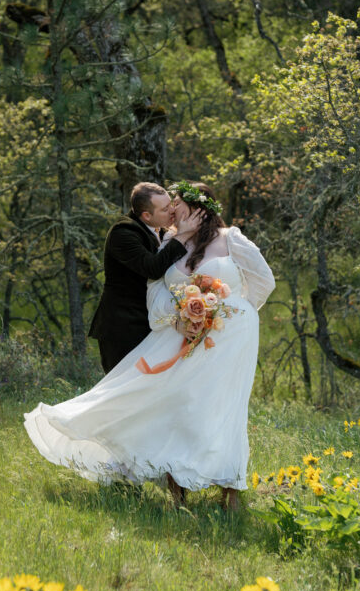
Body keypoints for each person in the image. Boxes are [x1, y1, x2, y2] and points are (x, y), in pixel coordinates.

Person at [24, 182, 275, 510]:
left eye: (180, 207)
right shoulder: (168, 241)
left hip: (229, 334)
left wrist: (237, 312)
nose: (175, 213)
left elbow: (264, 281)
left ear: (201, 209)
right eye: (171, 208)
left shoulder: (231, 238)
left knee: (224, 406)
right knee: (180, 403)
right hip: (183, 331)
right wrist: (179, 318)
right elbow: (156, 291)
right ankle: (175, 491)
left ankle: (230, 490)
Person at [88, 182, 202, 373]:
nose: (172, 211)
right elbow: (153, 268)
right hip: (124, 327)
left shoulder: (163, 231)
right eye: (165, 209)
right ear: (146, 215)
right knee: (121, 389)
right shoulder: (123, 233)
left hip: (150, 323)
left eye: (171, 204)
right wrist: (181, 237)